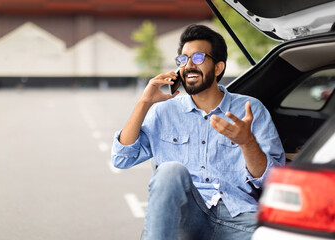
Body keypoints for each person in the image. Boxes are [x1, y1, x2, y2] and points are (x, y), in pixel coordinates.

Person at [111, 24, 285, 240]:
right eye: (183, 59)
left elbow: (273, 181)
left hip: (238, 217)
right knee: (169, 171)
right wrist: (144, 103)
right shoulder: (164, 112)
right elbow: (121, 158)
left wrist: (247, 142)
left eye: (199, 58)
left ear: (219, 67)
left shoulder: (250, 109)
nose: (189, 65)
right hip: (185, 218)